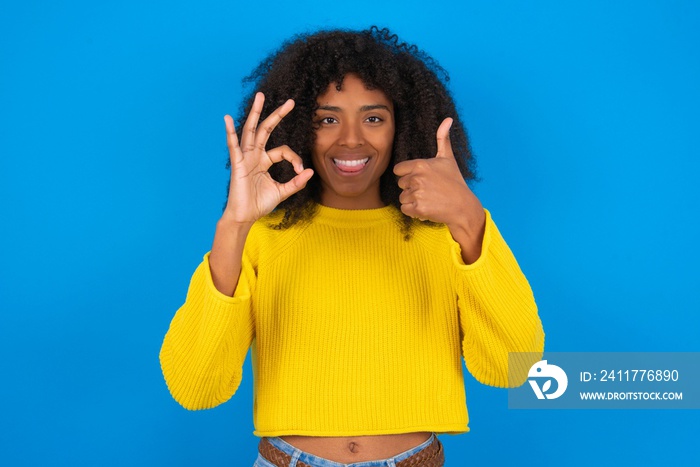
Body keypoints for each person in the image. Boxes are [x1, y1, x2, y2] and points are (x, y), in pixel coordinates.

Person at [160, 26, 544, 466]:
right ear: (298, 128)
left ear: (404, 126)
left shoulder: (445, 234)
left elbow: (516, 366)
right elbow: (195, 386)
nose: (351, 139)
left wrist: (469, 219)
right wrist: (234, 226)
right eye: (327, 119)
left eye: (373, 118)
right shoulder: (260, 236)